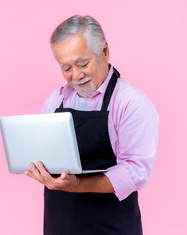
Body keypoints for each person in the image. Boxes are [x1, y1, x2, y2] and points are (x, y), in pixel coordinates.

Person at [25, 15, 159, 235]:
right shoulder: (54, 101)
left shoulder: (131, 103)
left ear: (105, 52)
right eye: (66, 68)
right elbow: (45, 153)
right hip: (59, 225)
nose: (76, 75)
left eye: (83, 64)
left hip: (111, 227)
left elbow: (136, 171)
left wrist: (78, 186)